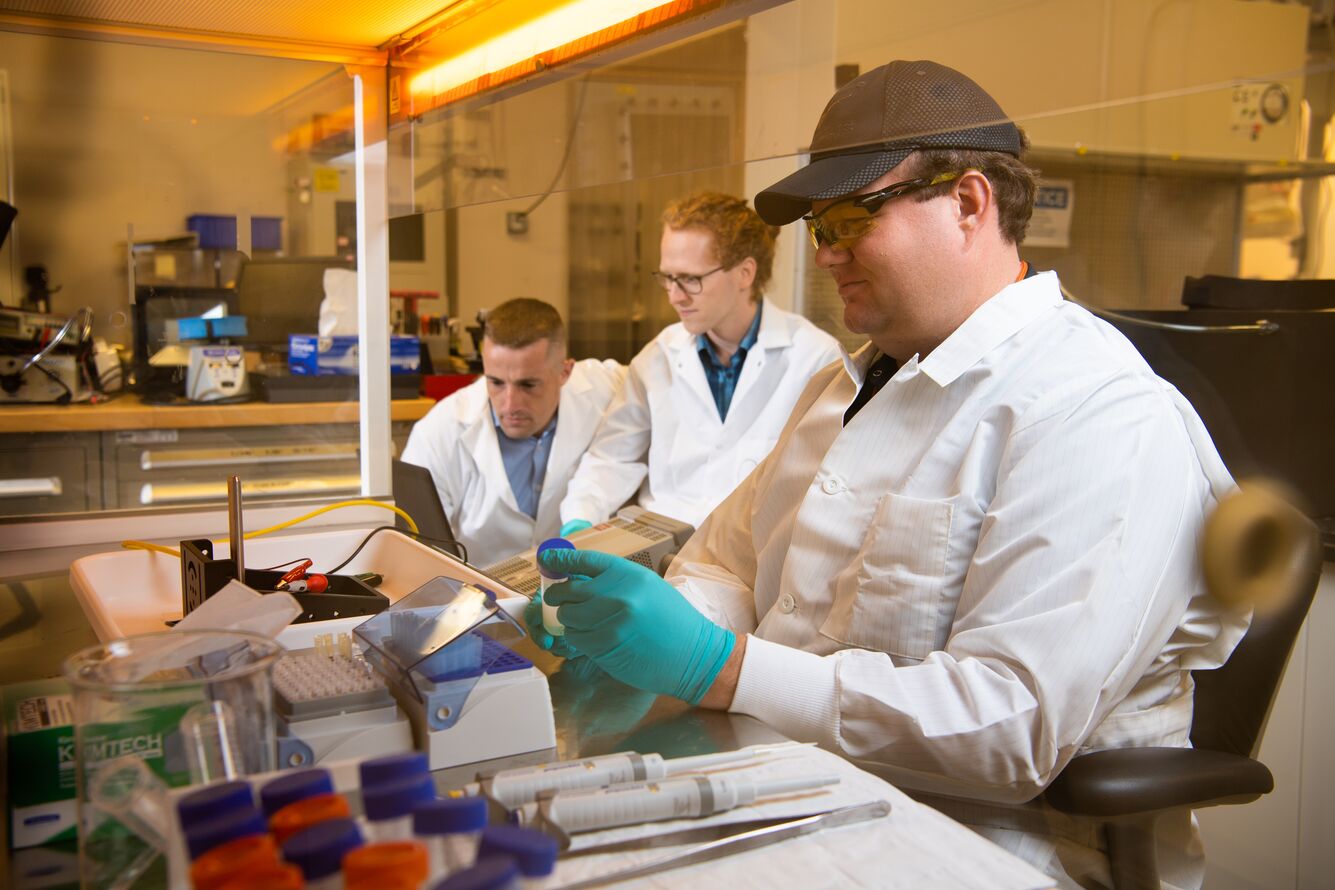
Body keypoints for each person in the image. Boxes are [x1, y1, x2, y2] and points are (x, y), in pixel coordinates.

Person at [530, 62, 1248, 889]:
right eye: (816, 227)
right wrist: (639, 634)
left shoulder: (1096, 413)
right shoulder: (844, 384)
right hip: (790, 784)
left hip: (989, 845)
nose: (825, 253)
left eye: (847, 219)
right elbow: (723, 558)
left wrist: (719, 666)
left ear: (969, 203)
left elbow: (1009, 727)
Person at [558, 192, 843, 531]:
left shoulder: (815, 358)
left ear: (744, 273)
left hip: (752, 560)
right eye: (668, 277)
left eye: (691, 279)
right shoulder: (659, 356)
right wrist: (579, 519)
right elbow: (613, 458)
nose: (675, 296)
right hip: (663, 547)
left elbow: (827, 482)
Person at [401, 298, 623, 567]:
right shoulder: (438, 432)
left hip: (576, 587)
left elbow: (655, 377)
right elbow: (416, 553)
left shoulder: (603, 388)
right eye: (495, 382)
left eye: (528, 385)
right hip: (478, 596)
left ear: (565, 372)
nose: (510, 404)